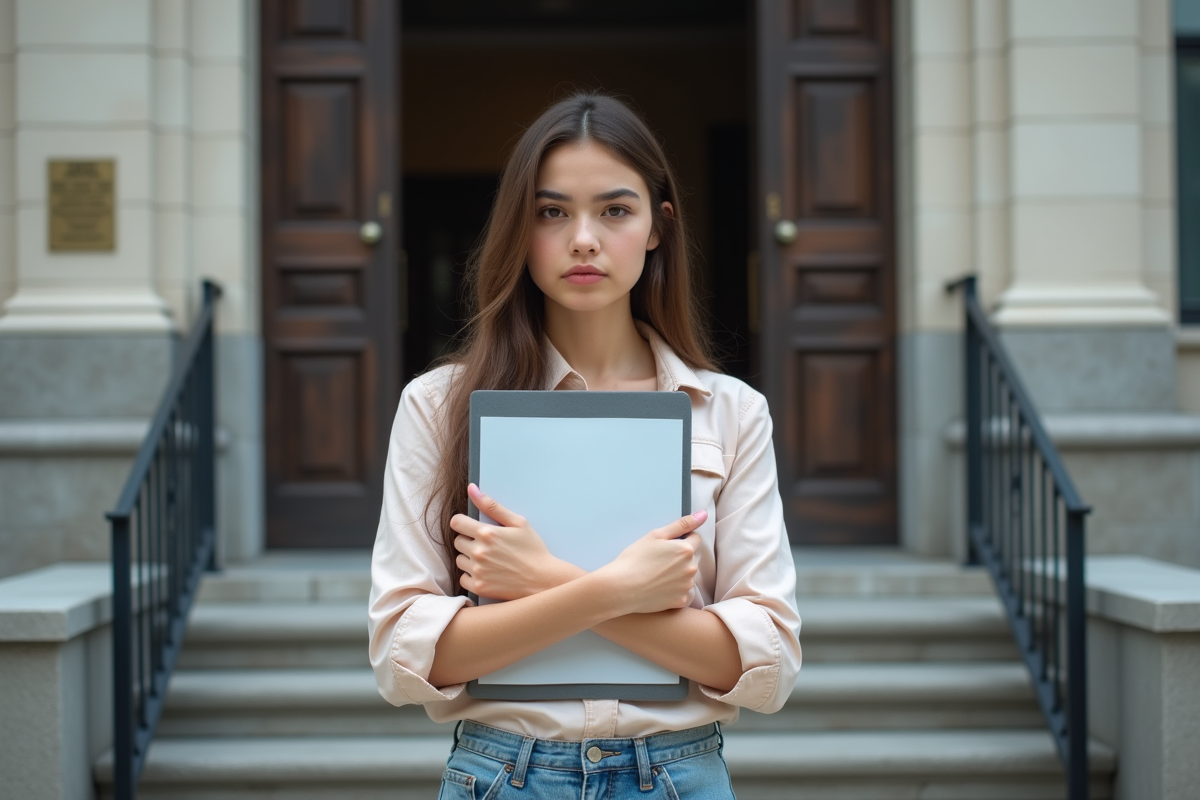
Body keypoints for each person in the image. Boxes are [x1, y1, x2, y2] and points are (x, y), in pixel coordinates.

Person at [368, 92, 801, 799]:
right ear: (520, 227)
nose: (584, 239)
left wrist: (542, 578)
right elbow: (404, 658)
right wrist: (621, 590)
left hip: (677, 775)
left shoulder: (731, 413)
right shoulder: (437, 406)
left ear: (658, 227)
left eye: (615, 210)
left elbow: (765, 666)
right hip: (503, 776)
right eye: (552, 212)